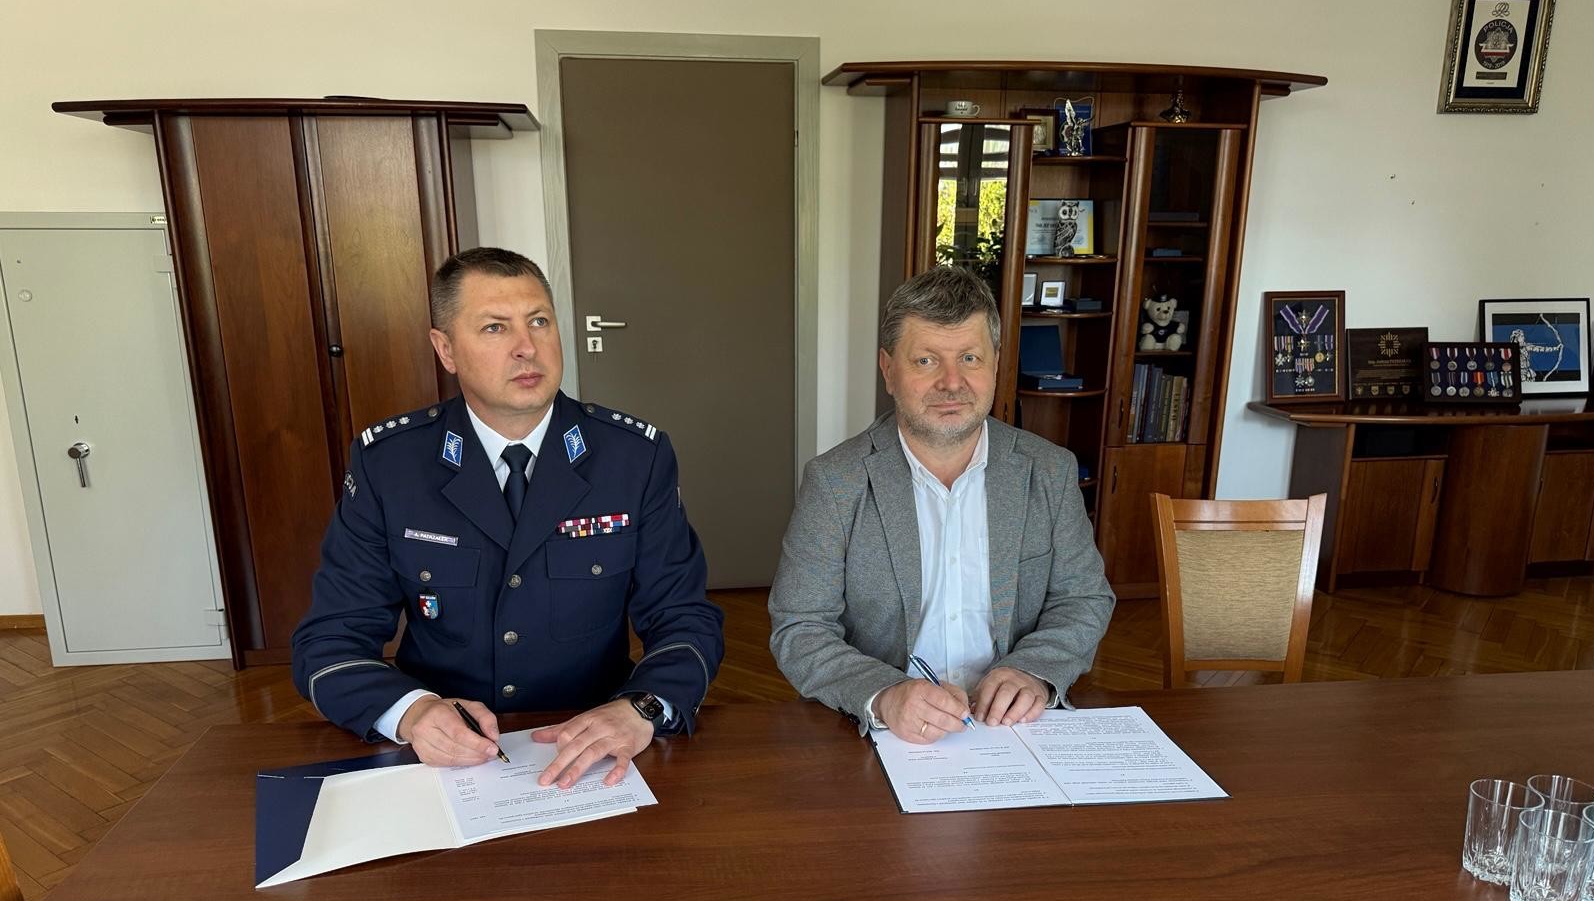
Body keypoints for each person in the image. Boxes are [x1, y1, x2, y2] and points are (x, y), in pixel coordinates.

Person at [292, 247, 723, 787]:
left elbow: (684, 616)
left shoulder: (634, 458)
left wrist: (641, 707)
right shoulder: (390, 464)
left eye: (539, 321)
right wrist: (412, 712)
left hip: (594, 748)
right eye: (495, 328)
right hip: (445, 751)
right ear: (446, 350)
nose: (527, 347)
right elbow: (330, 638)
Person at [769, 266, 1114, 743]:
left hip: (1014, 729)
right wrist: (884, 694)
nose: (952, 383)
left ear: (996, 364)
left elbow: (1083, 599)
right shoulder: (835, 482)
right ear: (888, 370)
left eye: (970, 358)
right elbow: (800, 626)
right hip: (884, 735)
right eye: (926, 361)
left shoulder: (1049, 471)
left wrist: (1033, 670)